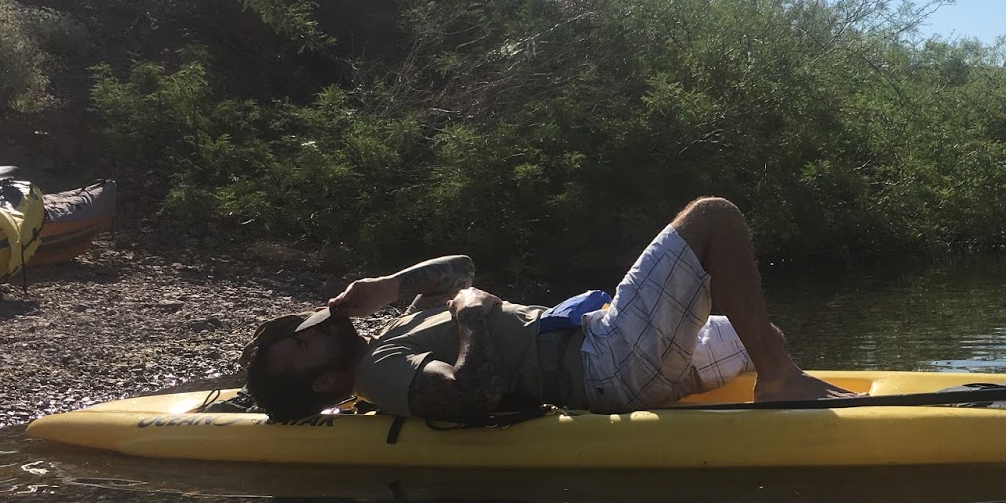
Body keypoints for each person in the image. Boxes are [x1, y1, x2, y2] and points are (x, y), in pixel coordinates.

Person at [241, 197, 850, 422]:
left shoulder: (392, 333)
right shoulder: (376, 374)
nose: (310, 328)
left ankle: (774, 366)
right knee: (713, 218)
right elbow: (467, 395)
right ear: (323, 380)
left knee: (760, 328)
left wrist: (392, 286)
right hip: (602, 364)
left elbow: (461, 269)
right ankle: (778, 382)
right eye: (301, 343)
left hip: (611, 352)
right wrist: (473, 317)